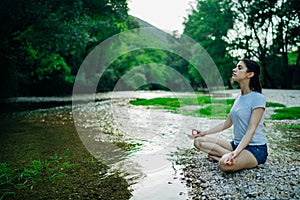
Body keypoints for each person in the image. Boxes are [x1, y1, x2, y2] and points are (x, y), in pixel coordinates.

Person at [188, 58, 268, 172]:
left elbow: (251, 129)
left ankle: (223, 157)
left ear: (250, 74)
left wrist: (236, 153)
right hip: (235, 144)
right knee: (198, 141)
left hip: (255, 149)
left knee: (223, 165)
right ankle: (229, 155)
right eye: (236, 67)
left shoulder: (258, 98)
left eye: (239, 68)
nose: (234, 70)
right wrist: (204, 132)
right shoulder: (238, 98)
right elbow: (227, 123)